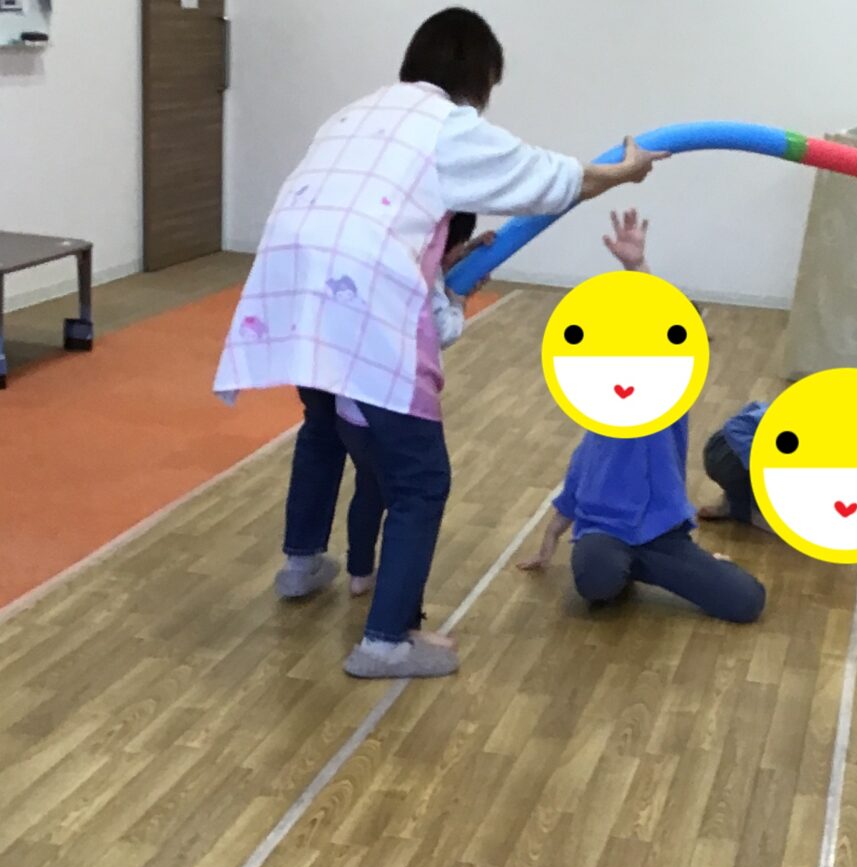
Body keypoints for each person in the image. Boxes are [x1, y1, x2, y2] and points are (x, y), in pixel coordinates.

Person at [216, 7, 667, 680]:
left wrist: (444, 270)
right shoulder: (446, 123)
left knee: (322, 427)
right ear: (479, 75)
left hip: (297, 280)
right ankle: (385, 642)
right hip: (359, 293)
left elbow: (384, 211)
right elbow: (548, 178)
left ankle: (300, 564)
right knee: (422, 479)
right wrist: (624, 172)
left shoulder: (353, 114)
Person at [517, 210, 766, 625]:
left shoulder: (669, 397)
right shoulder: (601, 413)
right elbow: (575, 485)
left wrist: (638, 269)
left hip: (662, 536)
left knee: (746, 602)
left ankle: (657, 567)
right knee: (596, 583)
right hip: (603, 534)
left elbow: (660, 329)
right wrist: (548, 543)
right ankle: (625, 568)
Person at [279, 211, 483, 611]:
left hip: (324, 353)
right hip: (383, 399)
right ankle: (387, 620)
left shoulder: (366, 223)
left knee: (331, 448)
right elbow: (437, 328)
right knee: (403, 491)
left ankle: (317, 565)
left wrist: (453, 257)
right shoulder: (414, 259)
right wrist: (456, 300)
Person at [698, 402, 772, 529]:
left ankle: (738, 501)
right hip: (723, 453)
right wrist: (761, 466)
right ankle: (743, 508)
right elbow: (733, 427)